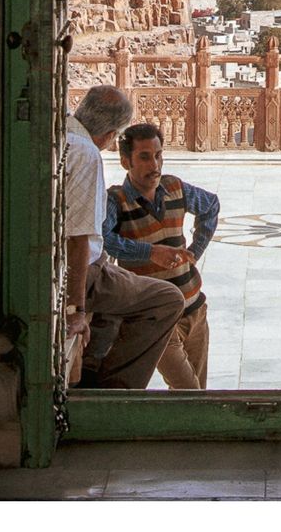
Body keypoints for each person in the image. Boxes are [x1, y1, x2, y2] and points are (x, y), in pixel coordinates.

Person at [65, 86, 185, 388]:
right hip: (84, 273)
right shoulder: (86, 153)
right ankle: (114, 392)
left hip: (86, 266)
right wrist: (76, 311)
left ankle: (93, 372)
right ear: (110, 136)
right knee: (166, 300)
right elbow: (78, 240)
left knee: (118, 298)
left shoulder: (63, 130)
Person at [105, 123, 220, 390]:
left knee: (196, 394)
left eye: (158, 155)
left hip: (195, 310)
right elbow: (106, 241)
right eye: (144, 157)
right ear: (126, 162)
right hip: (157, 321)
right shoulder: (117, 201)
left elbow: (211, 205)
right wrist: (149, 252)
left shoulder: (174, 188)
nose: (154, 164)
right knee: (189, 393)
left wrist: (195, 250)